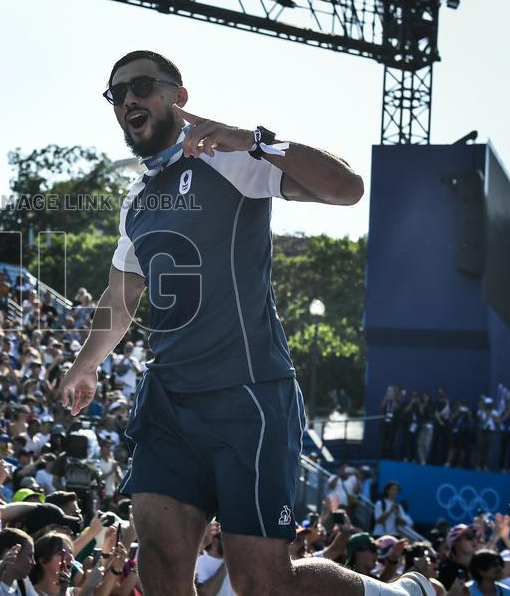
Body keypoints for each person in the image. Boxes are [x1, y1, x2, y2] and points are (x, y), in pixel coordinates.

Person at [57, 50, 430, 596]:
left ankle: (395, 593)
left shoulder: (230, 157)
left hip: (247, 392)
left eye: (141, 86)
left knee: (262, 582)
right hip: (169, 399)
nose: (128, 99)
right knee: (158, 562)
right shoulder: (135, 201)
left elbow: (347, 189)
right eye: (118, 93)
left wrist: (255, 140)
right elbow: (121, 294)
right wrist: (85, 364)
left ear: (179, 96)